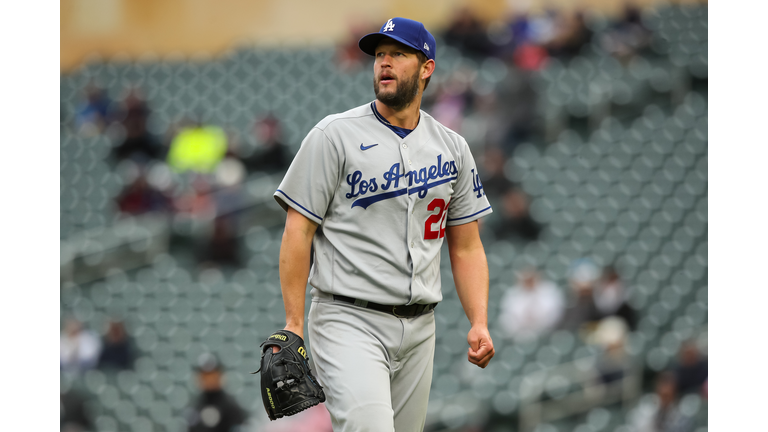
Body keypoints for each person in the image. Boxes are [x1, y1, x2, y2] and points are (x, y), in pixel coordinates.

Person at [271, 17, 495, 431]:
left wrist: (478, 320)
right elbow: (297, 230)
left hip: (420, 326)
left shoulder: (453, 147)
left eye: (398, 54)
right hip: (347, 317)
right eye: (379, 56)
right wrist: (294, 323)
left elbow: (466, 246)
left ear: (426, 67)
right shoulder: (333, 135)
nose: (384, 63)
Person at [185, 353, 248, 432]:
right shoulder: (194, 409)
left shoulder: (231, 408)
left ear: (219, 374)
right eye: (205, 375)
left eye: (212, 374)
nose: (209, 378)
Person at [498, 268, 564, 341]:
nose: (528, 281)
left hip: (545, 335)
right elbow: (506, 318)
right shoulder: (512, 294)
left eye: (531, 278)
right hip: (519, 337)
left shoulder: (549, 290)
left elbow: (554, 314)